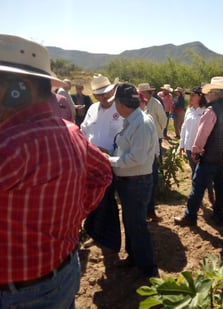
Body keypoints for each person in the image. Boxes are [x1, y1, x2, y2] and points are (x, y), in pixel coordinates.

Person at [0, 34, 112, 308]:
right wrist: (71, 215)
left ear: (19, 89)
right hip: (61, 271)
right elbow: (102, 172)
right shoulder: (71, 132)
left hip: (19, 294)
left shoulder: (10, 147)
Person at [107, 83, 159, 276]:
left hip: (136, 183)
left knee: (137, 226)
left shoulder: (142, 124)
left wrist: (109, 160)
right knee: (130, 223)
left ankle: (148, 269)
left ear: (120, 103)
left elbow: (136, 158)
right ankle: (134, 258)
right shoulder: (131, 120)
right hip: (130, 182)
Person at [174, 77, 223, 226]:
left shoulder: (210, 111)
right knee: (220, 186)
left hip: (208, 157)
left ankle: (190, 216)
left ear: (214, 93)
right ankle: (218, 214)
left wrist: (195, 152)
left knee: (197, 186)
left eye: (208, 92)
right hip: (222, 157)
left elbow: (202, 135)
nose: (206, 95)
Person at [81, 74, 124, 251]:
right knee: (93, 198)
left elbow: (126, 136)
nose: (104, 97)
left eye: (106, 92)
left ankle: (110, 240)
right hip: (91, 161)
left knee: (107, 201)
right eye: (99, 94)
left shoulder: (120, 109)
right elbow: (84, 130)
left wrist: (111, 152)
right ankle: (96, 234)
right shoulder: (92, 109)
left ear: (113, 90)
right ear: (95, 96)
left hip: (110, 161)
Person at [180, 86, 215, 205]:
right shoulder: (189, 110)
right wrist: (182, 144)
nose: (190, 98)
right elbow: (184, 127)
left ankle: (209, 192)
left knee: (202, 174)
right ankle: (196, 197)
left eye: (193, 95)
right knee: (194, 172)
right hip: (189, 146)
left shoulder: (206, 111)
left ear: (200, 97)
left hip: (200, 148)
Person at [138, 82, 167, 222]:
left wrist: (159, 133)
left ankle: (150, 209)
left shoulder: (155, 103)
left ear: (148, 93)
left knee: (154, 169)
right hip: (146, 143)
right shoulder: (138, 107)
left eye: (143, 92)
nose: (141, 95)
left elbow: (163, 119)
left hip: (155, 138)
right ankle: (147, 210)